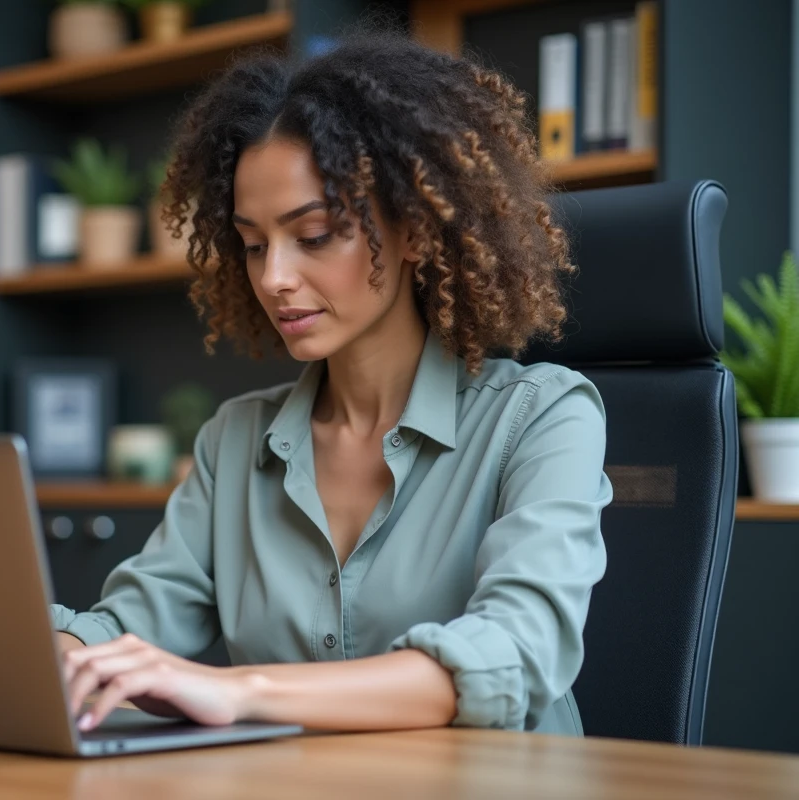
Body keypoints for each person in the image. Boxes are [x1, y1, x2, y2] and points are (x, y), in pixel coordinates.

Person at [50, 23, 612, 736]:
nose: (275, 278)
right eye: (253, 245)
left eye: (314, 236)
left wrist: (240, 689)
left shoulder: (543, 418)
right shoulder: (236, 442)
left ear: (413, 230)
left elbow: (513, 652)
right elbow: (127, 626)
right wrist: (64, 656)